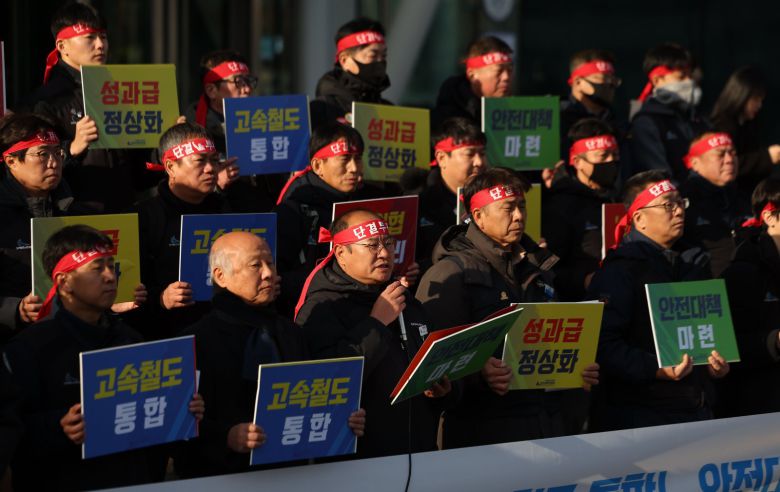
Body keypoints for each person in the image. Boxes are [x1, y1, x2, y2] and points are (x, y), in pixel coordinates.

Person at [2, 225, 204, 491]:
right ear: (63, 282)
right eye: (97, 268)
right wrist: (58, 428)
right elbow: (12, 436)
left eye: (112, 266)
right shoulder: (31, 349)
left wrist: (182, 411)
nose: (111, 276)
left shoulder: (131, 340)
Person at [416, 168, 598, 447]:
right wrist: (479, 374)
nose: (519, 216)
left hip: (547, 427)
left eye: (522, 206)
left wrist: (576, 371)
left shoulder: (539, 267)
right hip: (484, 435)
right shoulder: (449, 274)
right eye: (508, 209)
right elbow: (433, 365)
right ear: (478, 216)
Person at [177, 231, 365, 477]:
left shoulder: (290, 332)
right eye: (256, 265)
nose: (268, 273)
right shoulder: (195, 341)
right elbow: (177, 427)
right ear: (221, 276)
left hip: (294, 475)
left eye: (271, 263)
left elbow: (309, 400)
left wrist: (342, 419)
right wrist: (226, 437)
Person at [296, 210, 452, 458]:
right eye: (371, 245)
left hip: (420, 451)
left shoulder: (404, 299)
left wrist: (438, 389)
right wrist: (377, 323)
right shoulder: (321, 308)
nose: (383, 253)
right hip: (362, 457)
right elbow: (327, 381)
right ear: (341, 254)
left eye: (388, 243)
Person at [587, 170, 729, 432]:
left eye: (680, 202)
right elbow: (601, 344)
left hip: (698, 408)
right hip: (641, 418)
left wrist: (716, 366)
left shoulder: (696, 263)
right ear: (639, 219)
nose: (678, 211)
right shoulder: (621, 270)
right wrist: (656, 369)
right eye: (667, 205)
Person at [17, 2, 139, 213]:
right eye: (90, 37)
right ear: (62, 46)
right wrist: (72, 148)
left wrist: (166, 141)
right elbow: (29, 170)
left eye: (104, 37)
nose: (101, 45)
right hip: (72, 220)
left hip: (124, 214)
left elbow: (139, 169)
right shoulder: (45, 102)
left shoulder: (122, 92)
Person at [130, 122, 229, 340]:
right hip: (167, 337)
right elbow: (127, 291)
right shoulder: (144, 218)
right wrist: (161, 299)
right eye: (200, 161)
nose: (211, 168)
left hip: (225, 333)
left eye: (214, 160)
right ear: (170, 167)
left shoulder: (229, 210)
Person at [274, 122, 384, 316]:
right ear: (318, 165)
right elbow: (278, 279)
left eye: (357, 159)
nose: (353, 168)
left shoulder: (372, 201)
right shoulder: (292, 210)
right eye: (344, 159)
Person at [0, 113, 86, 339]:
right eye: (42, 154)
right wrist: (16, 310)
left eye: (57, 152)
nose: (54, 162)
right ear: (11, 161)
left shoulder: (77, 213)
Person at [182, 49, 285, 213]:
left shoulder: (266, 122)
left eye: (249, 81)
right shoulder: (191, 132)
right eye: (238, 82)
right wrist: (216, 184)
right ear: (211, 90)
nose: (247, 89)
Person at [720, 177, 780, 417]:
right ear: (770, 217)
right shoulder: (743, 271)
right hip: (759, 413)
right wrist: (773, 341)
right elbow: (724, 346)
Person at [543, 118, 620, 302]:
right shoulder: (561, 206)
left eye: (615, 155)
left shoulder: (617, 199)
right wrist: (583, 281)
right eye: (603, 156)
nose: (611, 162)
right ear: (577, 162)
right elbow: (550, 268)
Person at [413, 117, 487, 272]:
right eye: (470, 154)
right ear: (441, 158)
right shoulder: (418, 204)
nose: (479, 162)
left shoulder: (494, 199)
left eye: (482, 153)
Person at [629, 43, 710, 184]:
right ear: (656, 80)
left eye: (690, 75)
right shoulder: (646, 122)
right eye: (681, 76)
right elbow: (658, 174)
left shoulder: (698, 118)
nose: (689, 82)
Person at [680, 132, 751, 277]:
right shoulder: (680, 201)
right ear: (695, 163)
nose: (729, 160)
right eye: (720, 155)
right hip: (706, 289)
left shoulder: (741, 196)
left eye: (733, 153)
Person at [711, 66, 780, 196]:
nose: (759, 105)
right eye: (756, 99)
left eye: (761, 100)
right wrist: (767, 157)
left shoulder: (748, 125)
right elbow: (727, 164)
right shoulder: (721, 126)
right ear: (741, 95)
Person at [310, 18, 391, 128]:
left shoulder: (390, 111)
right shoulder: (321, 111)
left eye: (384, 56)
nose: (380, 61)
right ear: (344, 60)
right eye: (372, 55)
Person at [431, 36, 513, 131]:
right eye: (499, 71)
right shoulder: (447, 121)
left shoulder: (514, 114)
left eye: (510, 70)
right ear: (472, 75)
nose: (506, 77)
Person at [561, 50, 623, 158]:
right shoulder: (559, 119)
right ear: (578, 82)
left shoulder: (618, 123)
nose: (609, 84)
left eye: (612, 79)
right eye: (603, 78)